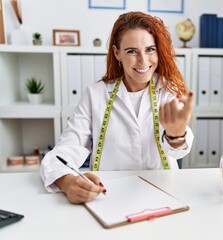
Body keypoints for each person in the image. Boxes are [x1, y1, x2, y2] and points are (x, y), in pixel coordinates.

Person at [40, 11, 194, 204]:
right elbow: (65, 151)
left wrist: (176, 136)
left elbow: (177, 152)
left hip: (163, 195)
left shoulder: (168, 92)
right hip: (109, 198)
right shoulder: (95, 95)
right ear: (117, 53)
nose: (143, 61)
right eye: (132, 51)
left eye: (149, 49)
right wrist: (66, 181)